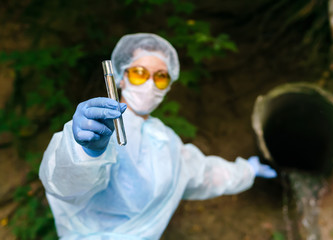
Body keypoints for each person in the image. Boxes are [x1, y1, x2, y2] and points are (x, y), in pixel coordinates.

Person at [39, 33, 277, 240]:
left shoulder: (167, 141)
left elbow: (205, 175)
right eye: (139, 73)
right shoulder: (98, 126)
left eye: (161, 76)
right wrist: (84, 152)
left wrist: (247, 170)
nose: (150, 83)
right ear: (121, 77)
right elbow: (62, 183)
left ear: (169, 85)